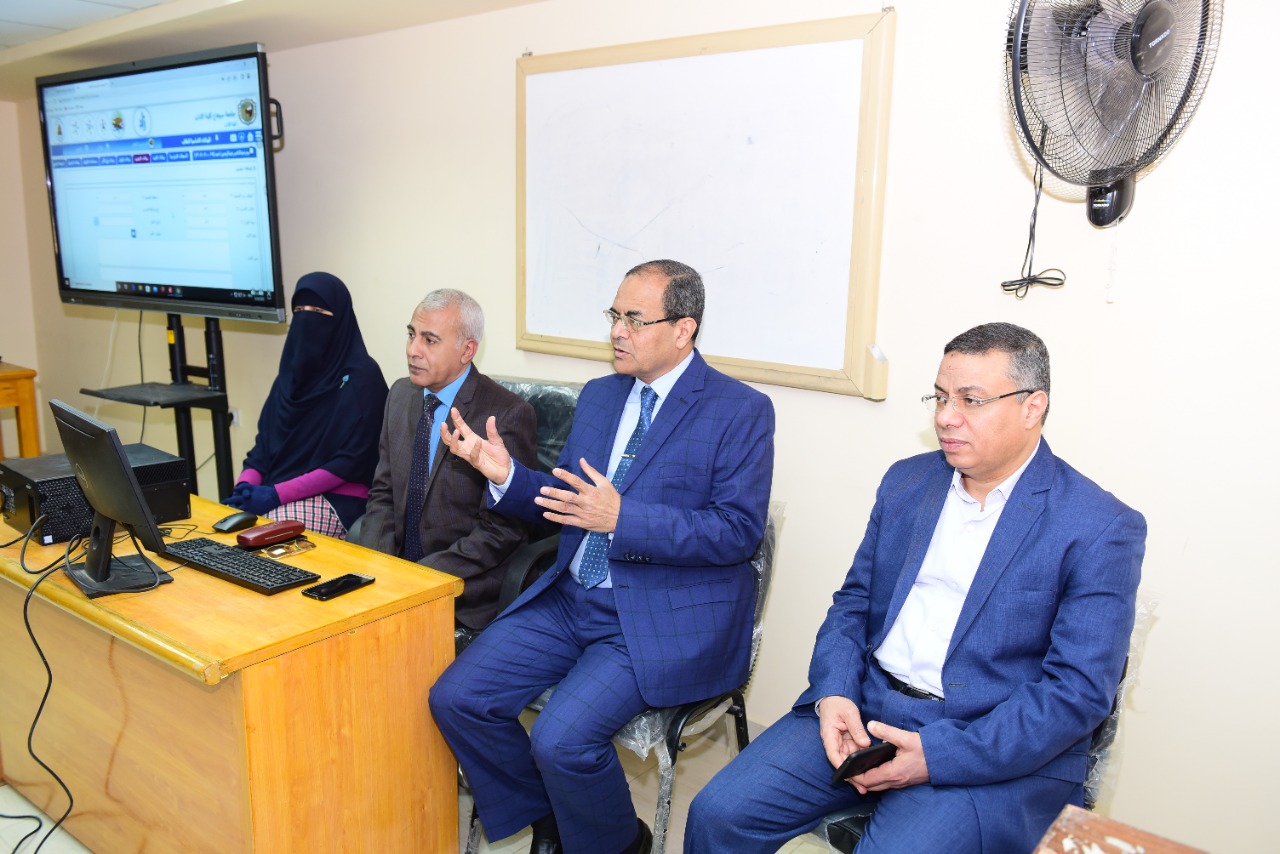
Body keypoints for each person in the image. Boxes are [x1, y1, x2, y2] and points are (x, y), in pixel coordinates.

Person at [684, 322, 1146, 853]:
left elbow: (1076, 693)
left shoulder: (1099, 525)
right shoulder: (907, 482)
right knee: (719, 813)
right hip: (867, 705)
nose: (946, 417)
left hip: (984, 738)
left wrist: (938, 756)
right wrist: (835, 691)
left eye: (971, 400)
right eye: (941, 397)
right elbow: (854, 603)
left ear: (1031, 407)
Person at [428, 260, 775, 854]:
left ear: (683, 329)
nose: (617, 331)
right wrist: (505, 474)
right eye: (615, 315)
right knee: (457, 699)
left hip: (655, 614)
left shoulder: (739, 410)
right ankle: (555, 818)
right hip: (571, 597)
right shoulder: (600, 396)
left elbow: (737, 531)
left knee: (560, 741)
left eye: (635, 319)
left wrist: (624, 519)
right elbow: (567, 500)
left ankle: (616, 843)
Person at [357, 288, 538, 632]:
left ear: (467, 350)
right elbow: (383, 493)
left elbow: (502, 530)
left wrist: (419, 578)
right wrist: (374, 567)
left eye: (430, 340)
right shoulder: (400, 395)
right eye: (411, 334)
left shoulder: (506, 415)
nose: (413, 350)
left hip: (465, 588)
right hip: (397, 576)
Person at [222, 271, 387, 539]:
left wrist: (275, 495)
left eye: (318, 311)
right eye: (299, 310)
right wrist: (245, 488)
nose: (306, 319)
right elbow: (262, 449)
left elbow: (349, 463)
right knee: (221, 532)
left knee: (257, 539)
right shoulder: (288, 378)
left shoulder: (362, 378)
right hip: (275, 491)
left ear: (340, 319)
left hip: (338, 498)